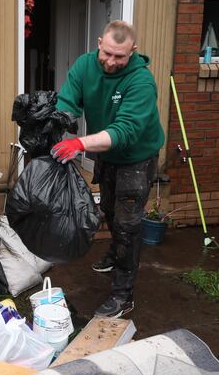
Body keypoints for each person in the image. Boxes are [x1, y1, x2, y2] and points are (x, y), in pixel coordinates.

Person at [51, 20, 164, 318]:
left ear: (133, 51)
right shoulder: (85, 66)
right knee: (111, 211)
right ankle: (116, 253)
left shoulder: (141, 81)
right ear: (99, 42)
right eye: (108, 54)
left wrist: (79, 144)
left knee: (128, 224)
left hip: (136, 157)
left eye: (120, 57)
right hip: (108, 153)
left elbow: (125, 131)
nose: (112, 62)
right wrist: (56, 124)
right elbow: (67, 102)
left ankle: (123, 295)